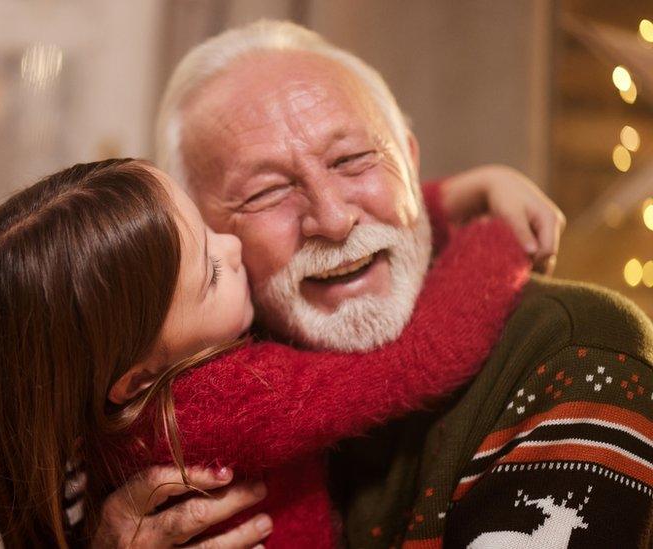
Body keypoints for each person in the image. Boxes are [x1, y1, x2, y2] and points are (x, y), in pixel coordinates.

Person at [94, 20, 653, 549]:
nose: (333, 220)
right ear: (204, 235)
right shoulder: (172, 399)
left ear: (409, 161)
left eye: (354, 160)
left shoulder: (573, 351)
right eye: (266, 193)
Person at [0, 158, 543, 549]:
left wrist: (448, 196)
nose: (234, 247)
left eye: (206, 229)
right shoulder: (227, 399)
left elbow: (347, 235)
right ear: (135, 376)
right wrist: (502, 228)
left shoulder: (98, 400)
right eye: (210, 273)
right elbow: (424, 359)